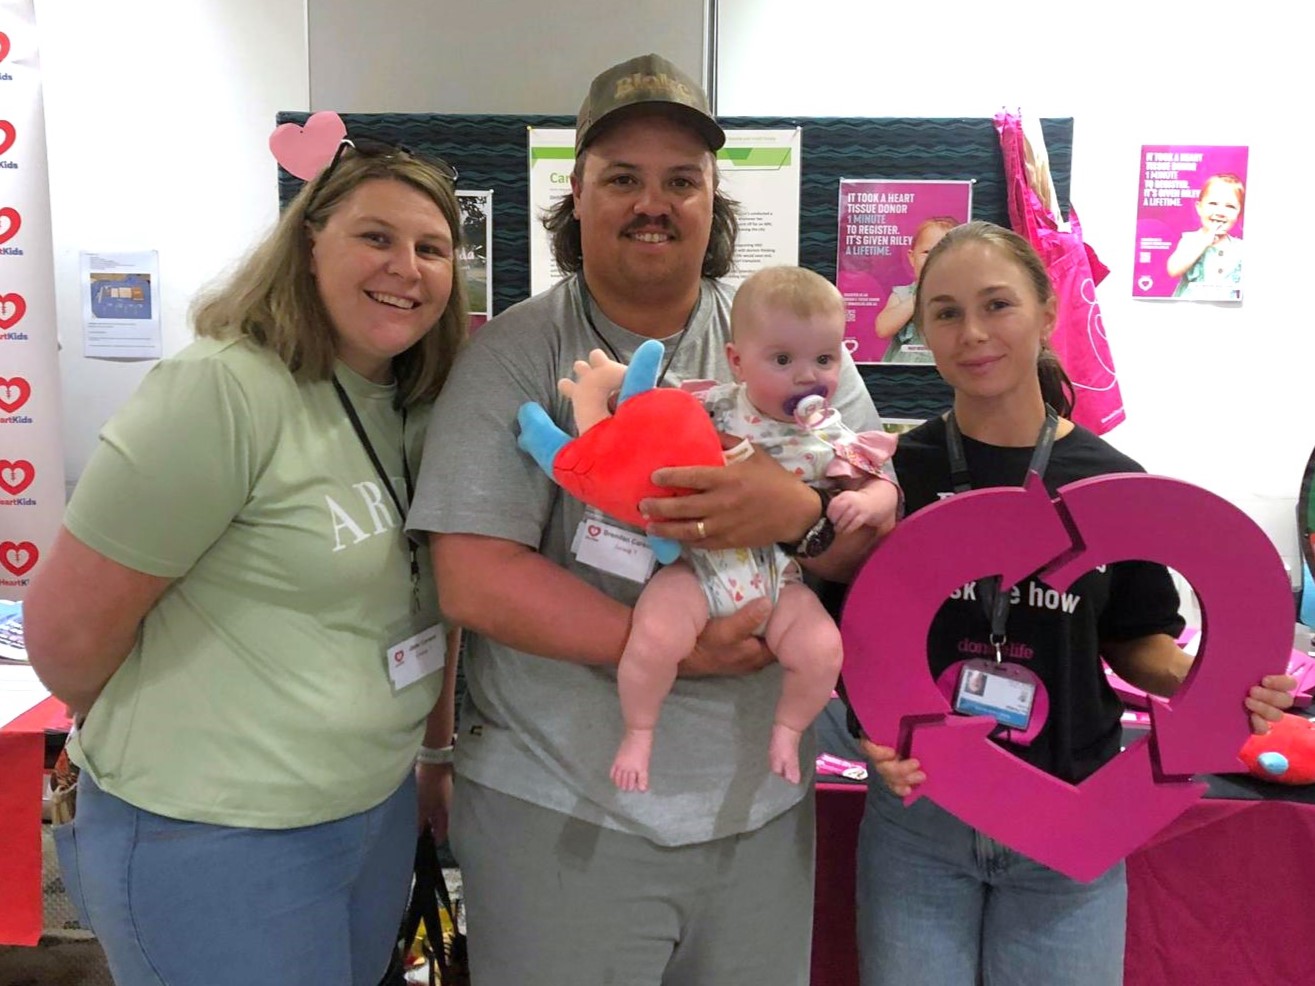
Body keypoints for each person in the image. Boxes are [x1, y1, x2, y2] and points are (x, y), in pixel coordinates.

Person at [405, 53, 886, 986]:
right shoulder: (514, 353)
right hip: (562, 809)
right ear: (575, 196)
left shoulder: (781, 337)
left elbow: (861, 529)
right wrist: (666, 646)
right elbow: (471, 575)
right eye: (622, 178)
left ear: (714, 203)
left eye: (681, 180)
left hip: (759, 807)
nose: (651, 202)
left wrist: (795, 512)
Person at [23, 139, 468, 986]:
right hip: (214, 833)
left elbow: (426, 605)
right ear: (307, 245)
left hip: (369, 812)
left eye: (431, 248)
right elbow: (65, 636)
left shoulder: (412, 406)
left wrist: (429, 759)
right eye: (375, 237)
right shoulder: (223, 390)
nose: (404, 267)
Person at [850, 220, 1295, 985]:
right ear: (921, 329)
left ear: (1046, 311)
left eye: (997, 305)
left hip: (1069, 817)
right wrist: (869, 730)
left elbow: (1136, 640)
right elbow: (852, 634)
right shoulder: (897, 472)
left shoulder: (1111, 480)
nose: (974, 333)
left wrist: (1217, 685)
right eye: (947, 312)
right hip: (922, 819)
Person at [604, 265, 900, 792]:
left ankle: (788, 730)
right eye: (783, 360)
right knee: (652, 638)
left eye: (825, 360)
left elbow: (883, 486)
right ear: (737, 361)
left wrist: (869, 501)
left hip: (777, 579)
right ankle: (639, 731)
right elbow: (650, 417)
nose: (808, 377)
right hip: (699, 570)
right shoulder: (712, 406)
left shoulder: (832, 434)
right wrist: (619, 400)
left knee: (822, 650)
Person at [873, 215, 957, 363]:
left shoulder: (962, 294)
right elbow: (882, 329)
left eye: (943, 253)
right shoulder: (903, 294)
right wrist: (919, 297)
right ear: (912, 258)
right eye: (927, 252)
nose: (934, 259)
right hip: (905, 367)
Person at [1166, 173, 1244, 300]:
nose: (1220, 212)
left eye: (1230, 206)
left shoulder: (1241, 247)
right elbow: (1173, 269)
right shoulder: (1191, 240)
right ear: (1199, 208)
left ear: (1239, 214)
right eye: (1213, 203)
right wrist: (1203, 242)